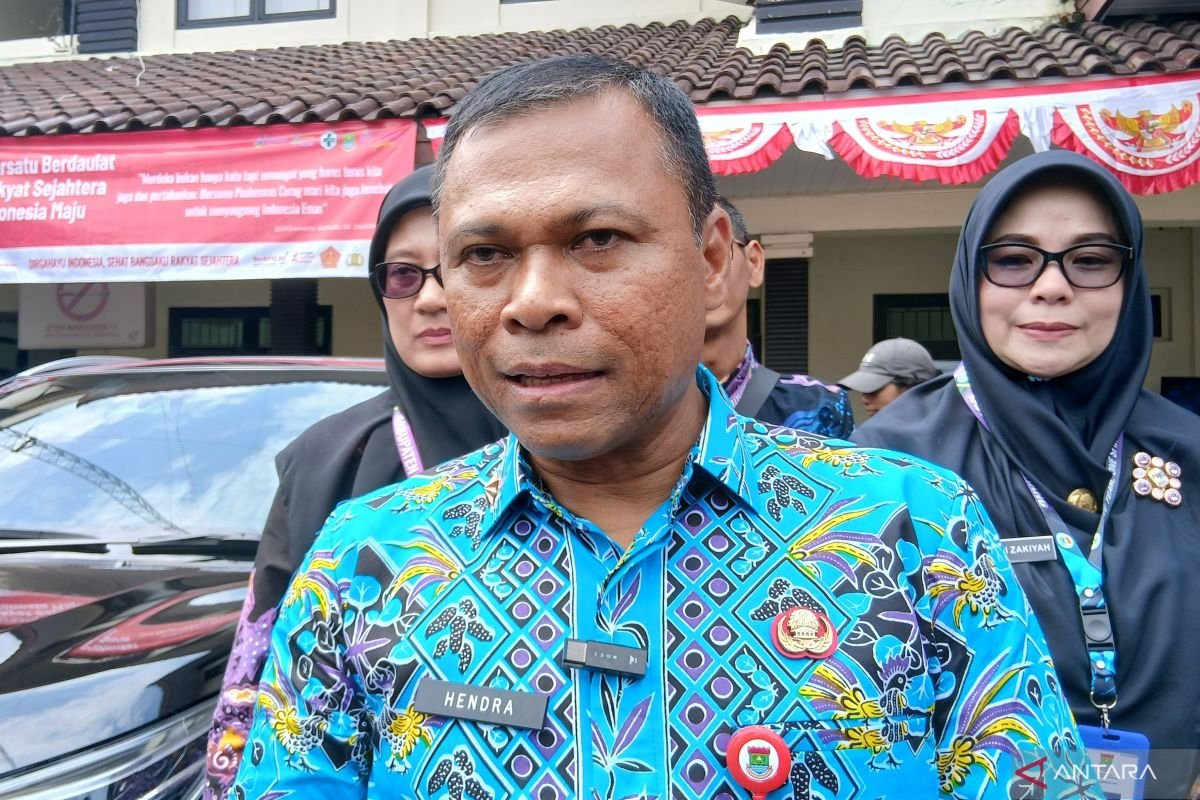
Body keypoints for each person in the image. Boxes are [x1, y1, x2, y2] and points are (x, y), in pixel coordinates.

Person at [231, 56, 1096, 800]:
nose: (533, 302)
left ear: (713, 261)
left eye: (598, 238)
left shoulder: (914, 532)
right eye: (484, 255)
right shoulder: (365, 563)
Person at [853, 150, 1200, 799]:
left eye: (1091, 260)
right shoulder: (889, 463)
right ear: (971, 277)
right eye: (1014, 260)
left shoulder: (1188, 449)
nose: (1052, 286)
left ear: (1130, 281)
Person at [201, 165, 506, 800]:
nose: (430, 299)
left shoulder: (579, 445)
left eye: (463, 263)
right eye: (403, 275)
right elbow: (256, 677)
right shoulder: (326, 461)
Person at [703, 196, 854, 437]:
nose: (705, 272)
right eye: (684, 255)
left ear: (754, 262)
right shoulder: (642, 413)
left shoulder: (819, 407)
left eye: (715, 252)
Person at [838, 337, 940, 417]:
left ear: (913, 388)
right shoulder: (871, 435)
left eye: (874, 390)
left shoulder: (946, 434)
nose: (864, 400)